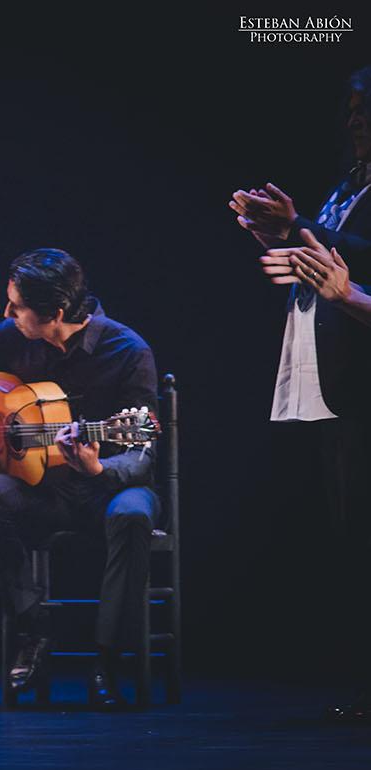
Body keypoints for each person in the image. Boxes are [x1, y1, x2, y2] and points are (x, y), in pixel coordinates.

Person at [0, 248, 159, 710]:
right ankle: (31, 628)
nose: (7, 313)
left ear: (54, 314)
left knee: (134, 514)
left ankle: (108, 663)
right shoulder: (12, 338)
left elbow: (145, 451)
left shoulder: (128, 351)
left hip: (110, 487)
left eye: (16, 307)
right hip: (45, 489)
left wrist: (99, 468)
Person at [232, 65, 371, 722]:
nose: (352, 122)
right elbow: (331, 263)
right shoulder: (352, 186)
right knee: (350, 540)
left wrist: (299, 228)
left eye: (361, 109)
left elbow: (355, 261)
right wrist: (280, 238)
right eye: (347, 110)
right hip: (336, 388)